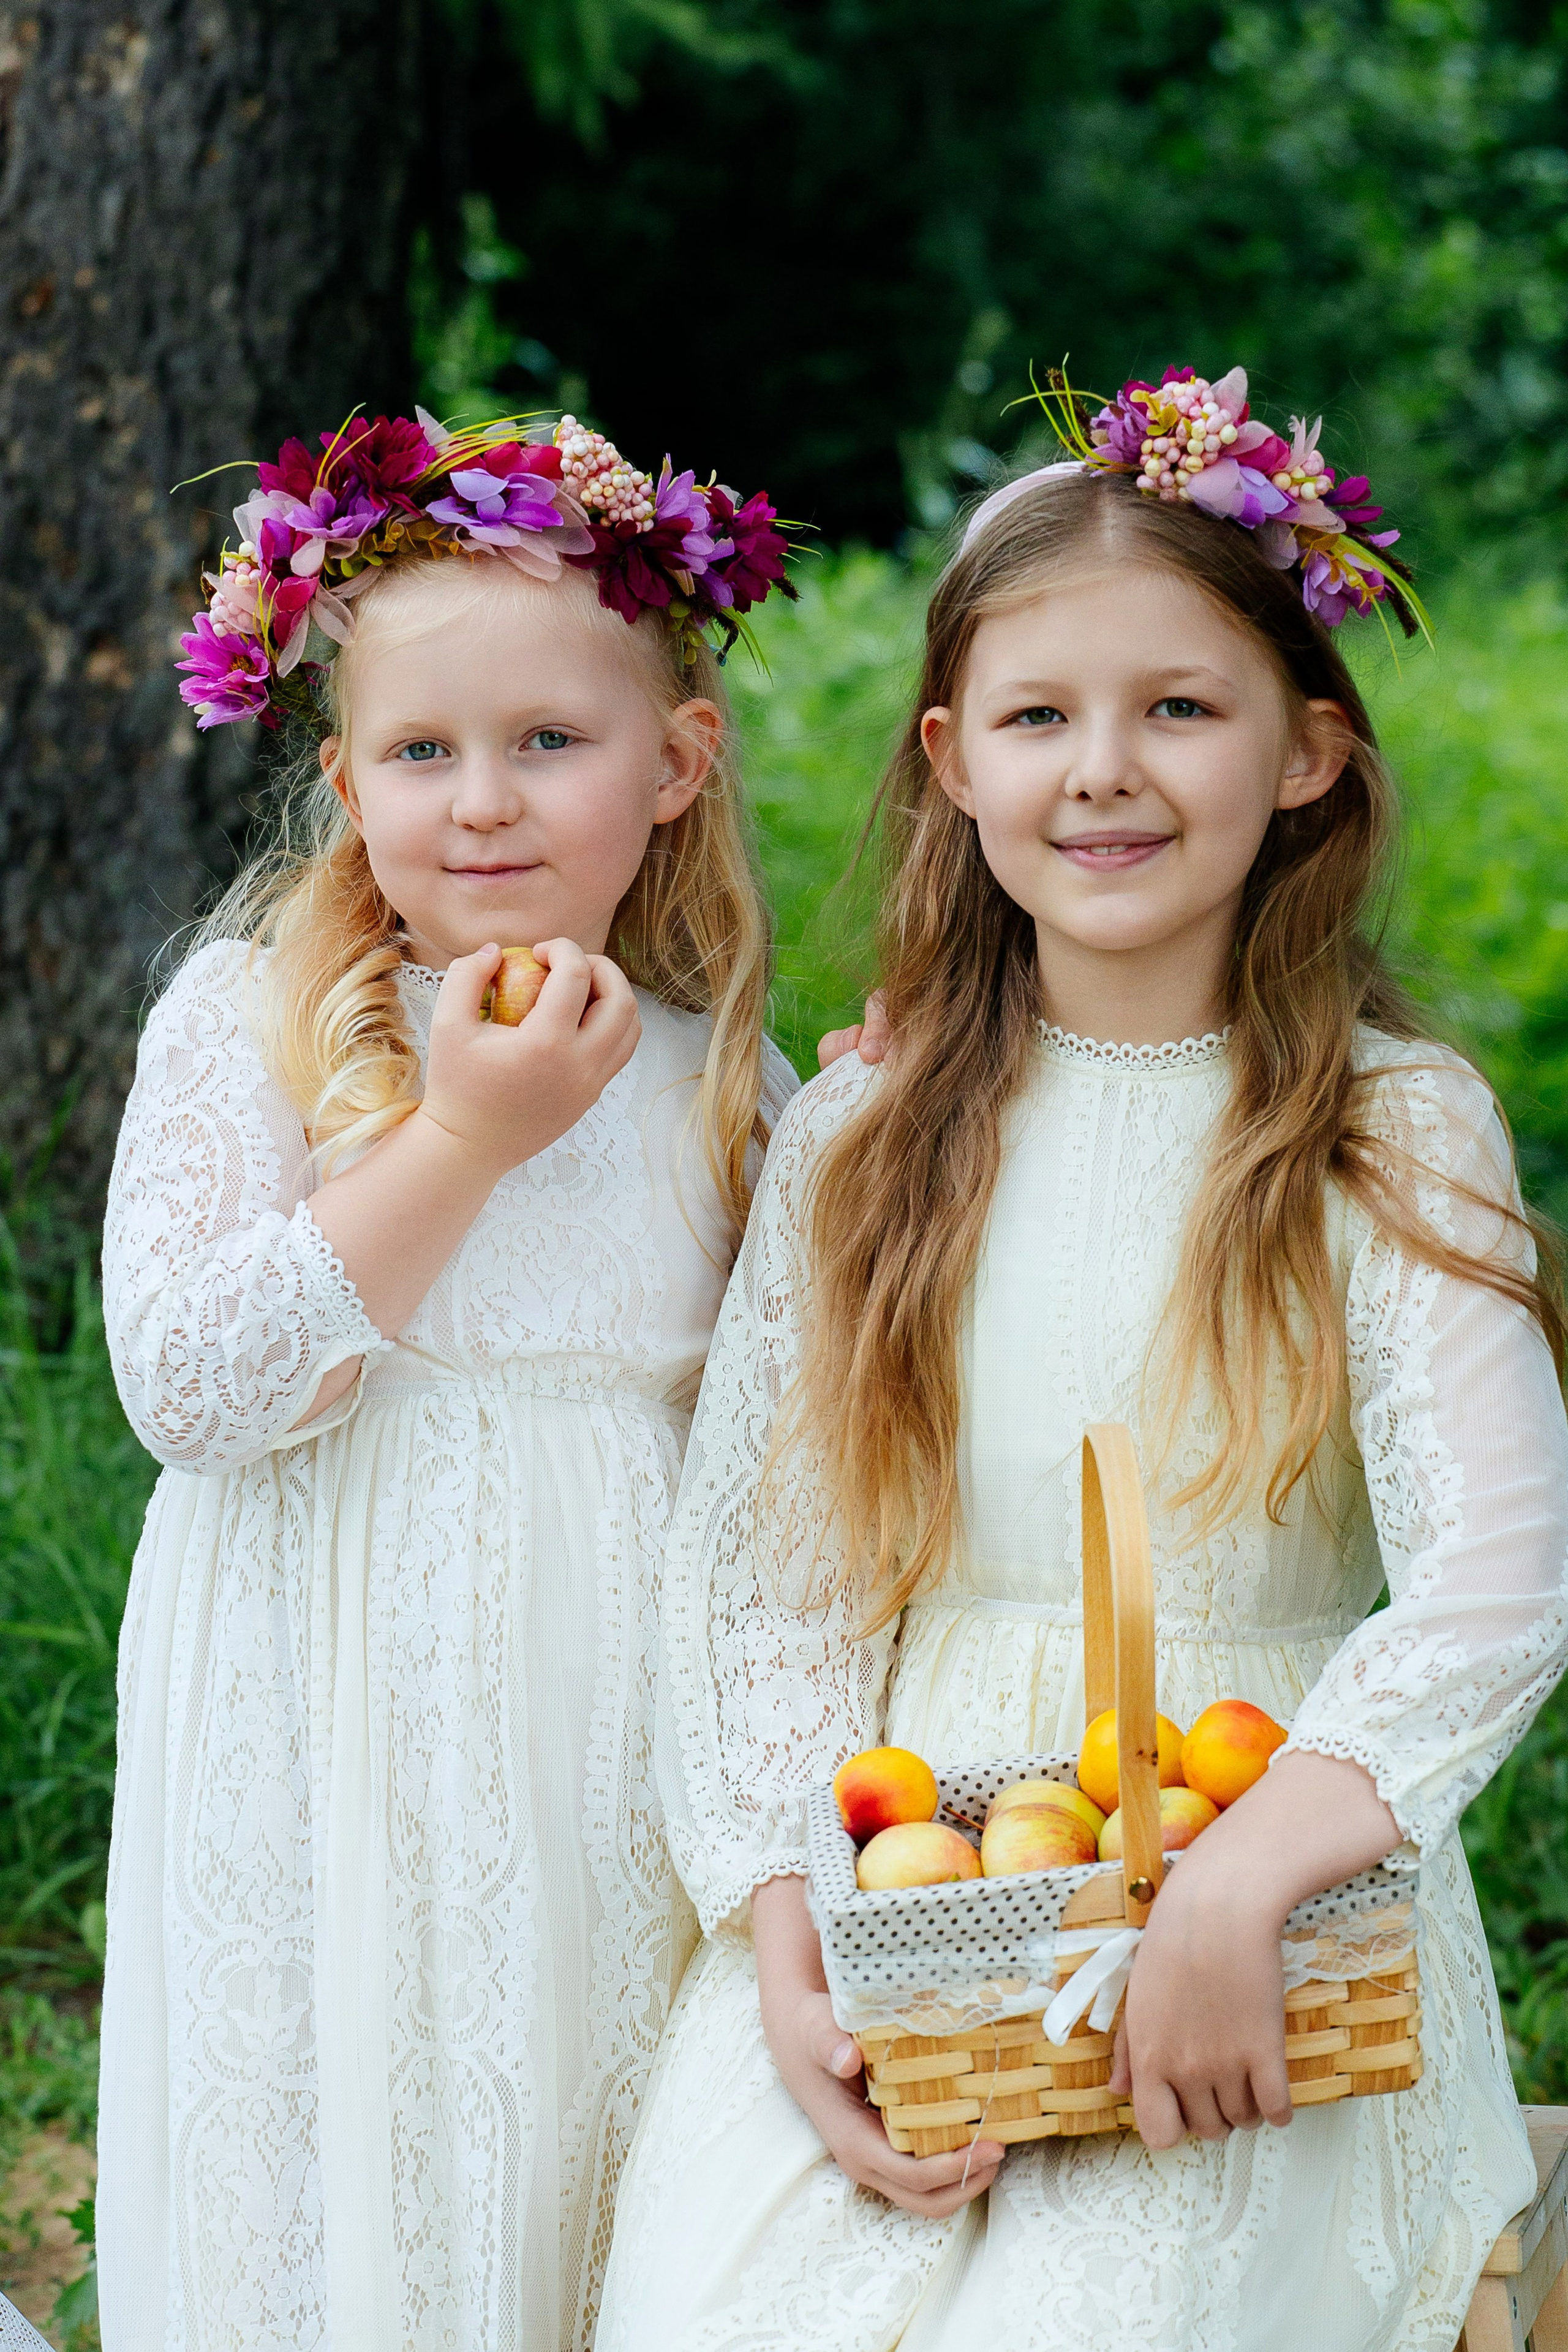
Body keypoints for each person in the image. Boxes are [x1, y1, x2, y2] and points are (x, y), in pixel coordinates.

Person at [598, 366, 1568, 2352]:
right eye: (1042, 717)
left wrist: (1238, 1891)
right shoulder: (862, 1137)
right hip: (898, 1869)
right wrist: (786, 1952)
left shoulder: (1389, 1129)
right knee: (731, 2304)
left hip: (1273, 1895)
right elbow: (765, 1587)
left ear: (1305, 753)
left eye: (1180, 709)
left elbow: (1498, 1582)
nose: (1104, 770)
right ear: (954, 759)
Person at [97, 407, 798, 2351]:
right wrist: (464, 1139)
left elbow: (800, 1435)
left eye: (549, 744)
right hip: (314, 1711)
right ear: (343, 779)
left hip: (597, 1736)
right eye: (422, 752)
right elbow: (192, 1387)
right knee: (321, 2155)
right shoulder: (251, 1017)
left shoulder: (718, 1077)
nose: (481, 801)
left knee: (568, 2142)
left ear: (676, 764)